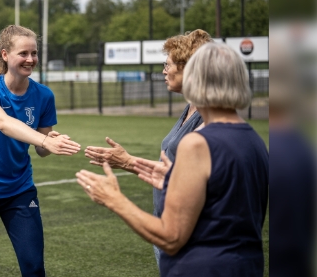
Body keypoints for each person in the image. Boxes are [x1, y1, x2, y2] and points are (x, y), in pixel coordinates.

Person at [76, 42, 269, 276]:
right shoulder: (256, 141)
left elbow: (171, 237)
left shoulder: (197, 143)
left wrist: (113, 199)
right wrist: (174, 180)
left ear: (196, 79)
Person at [0, 25, 81, 277]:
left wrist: (50, 140)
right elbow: (3, 123)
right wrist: (43, 141)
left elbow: (41, 149)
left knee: (33, 268)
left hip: (19, 191)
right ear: (5, 54)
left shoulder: (44, 95)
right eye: (23, 53)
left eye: (34, 53)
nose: (30, 59)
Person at [83, 29, 212, 265]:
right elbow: (175, 171)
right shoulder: (192, 107)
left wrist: (125, 170)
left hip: (187, 234)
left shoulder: (207, 117)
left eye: (168, 64)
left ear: (188, 68)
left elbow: (194, 182)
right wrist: (127, 161)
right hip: (169, 223)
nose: (164, 70)